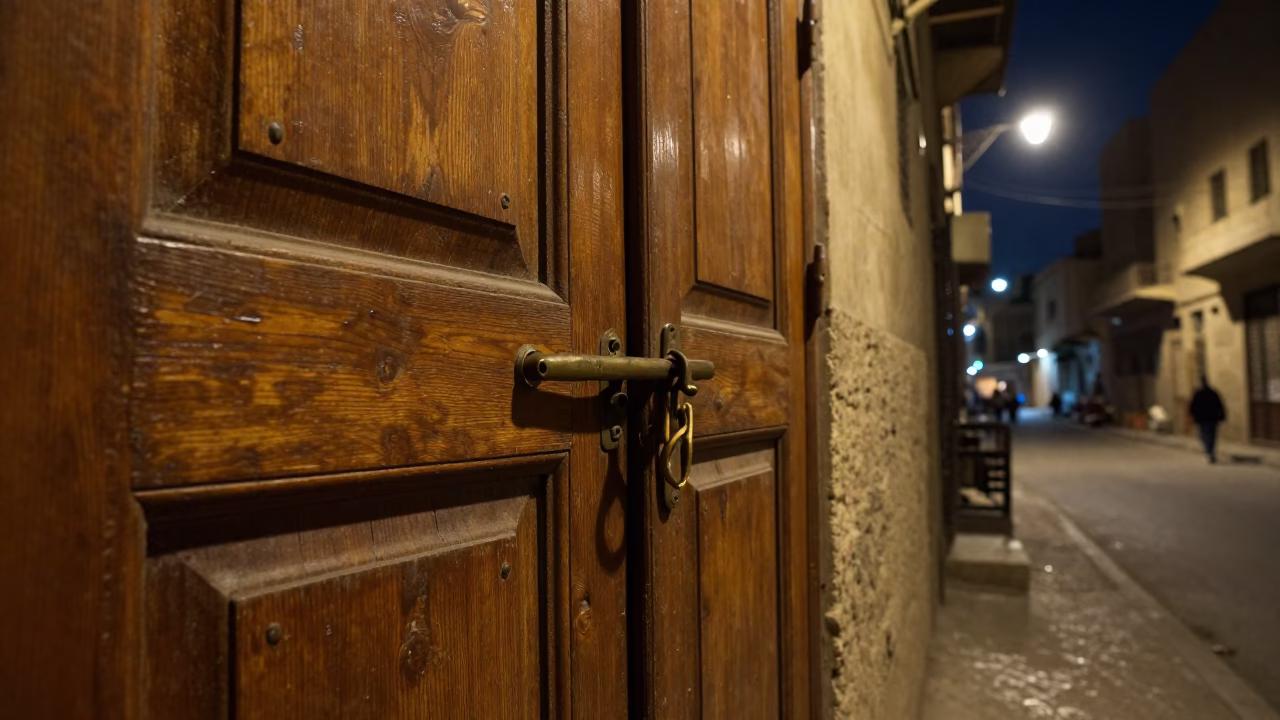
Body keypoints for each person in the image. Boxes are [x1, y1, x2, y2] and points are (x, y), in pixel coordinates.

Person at [1189, 377, 1226, 463]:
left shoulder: (1198, 394)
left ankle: (1209, 451)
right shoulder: (1212, 393)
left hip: (1203, 419)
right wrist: (1222, 416)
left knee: (1205, 435)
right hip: (1212, 418)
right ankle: (1210, 451)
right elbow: (1219, 405)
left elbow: (1193, 407)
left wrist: (1193, 416)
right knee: (1211, 435)